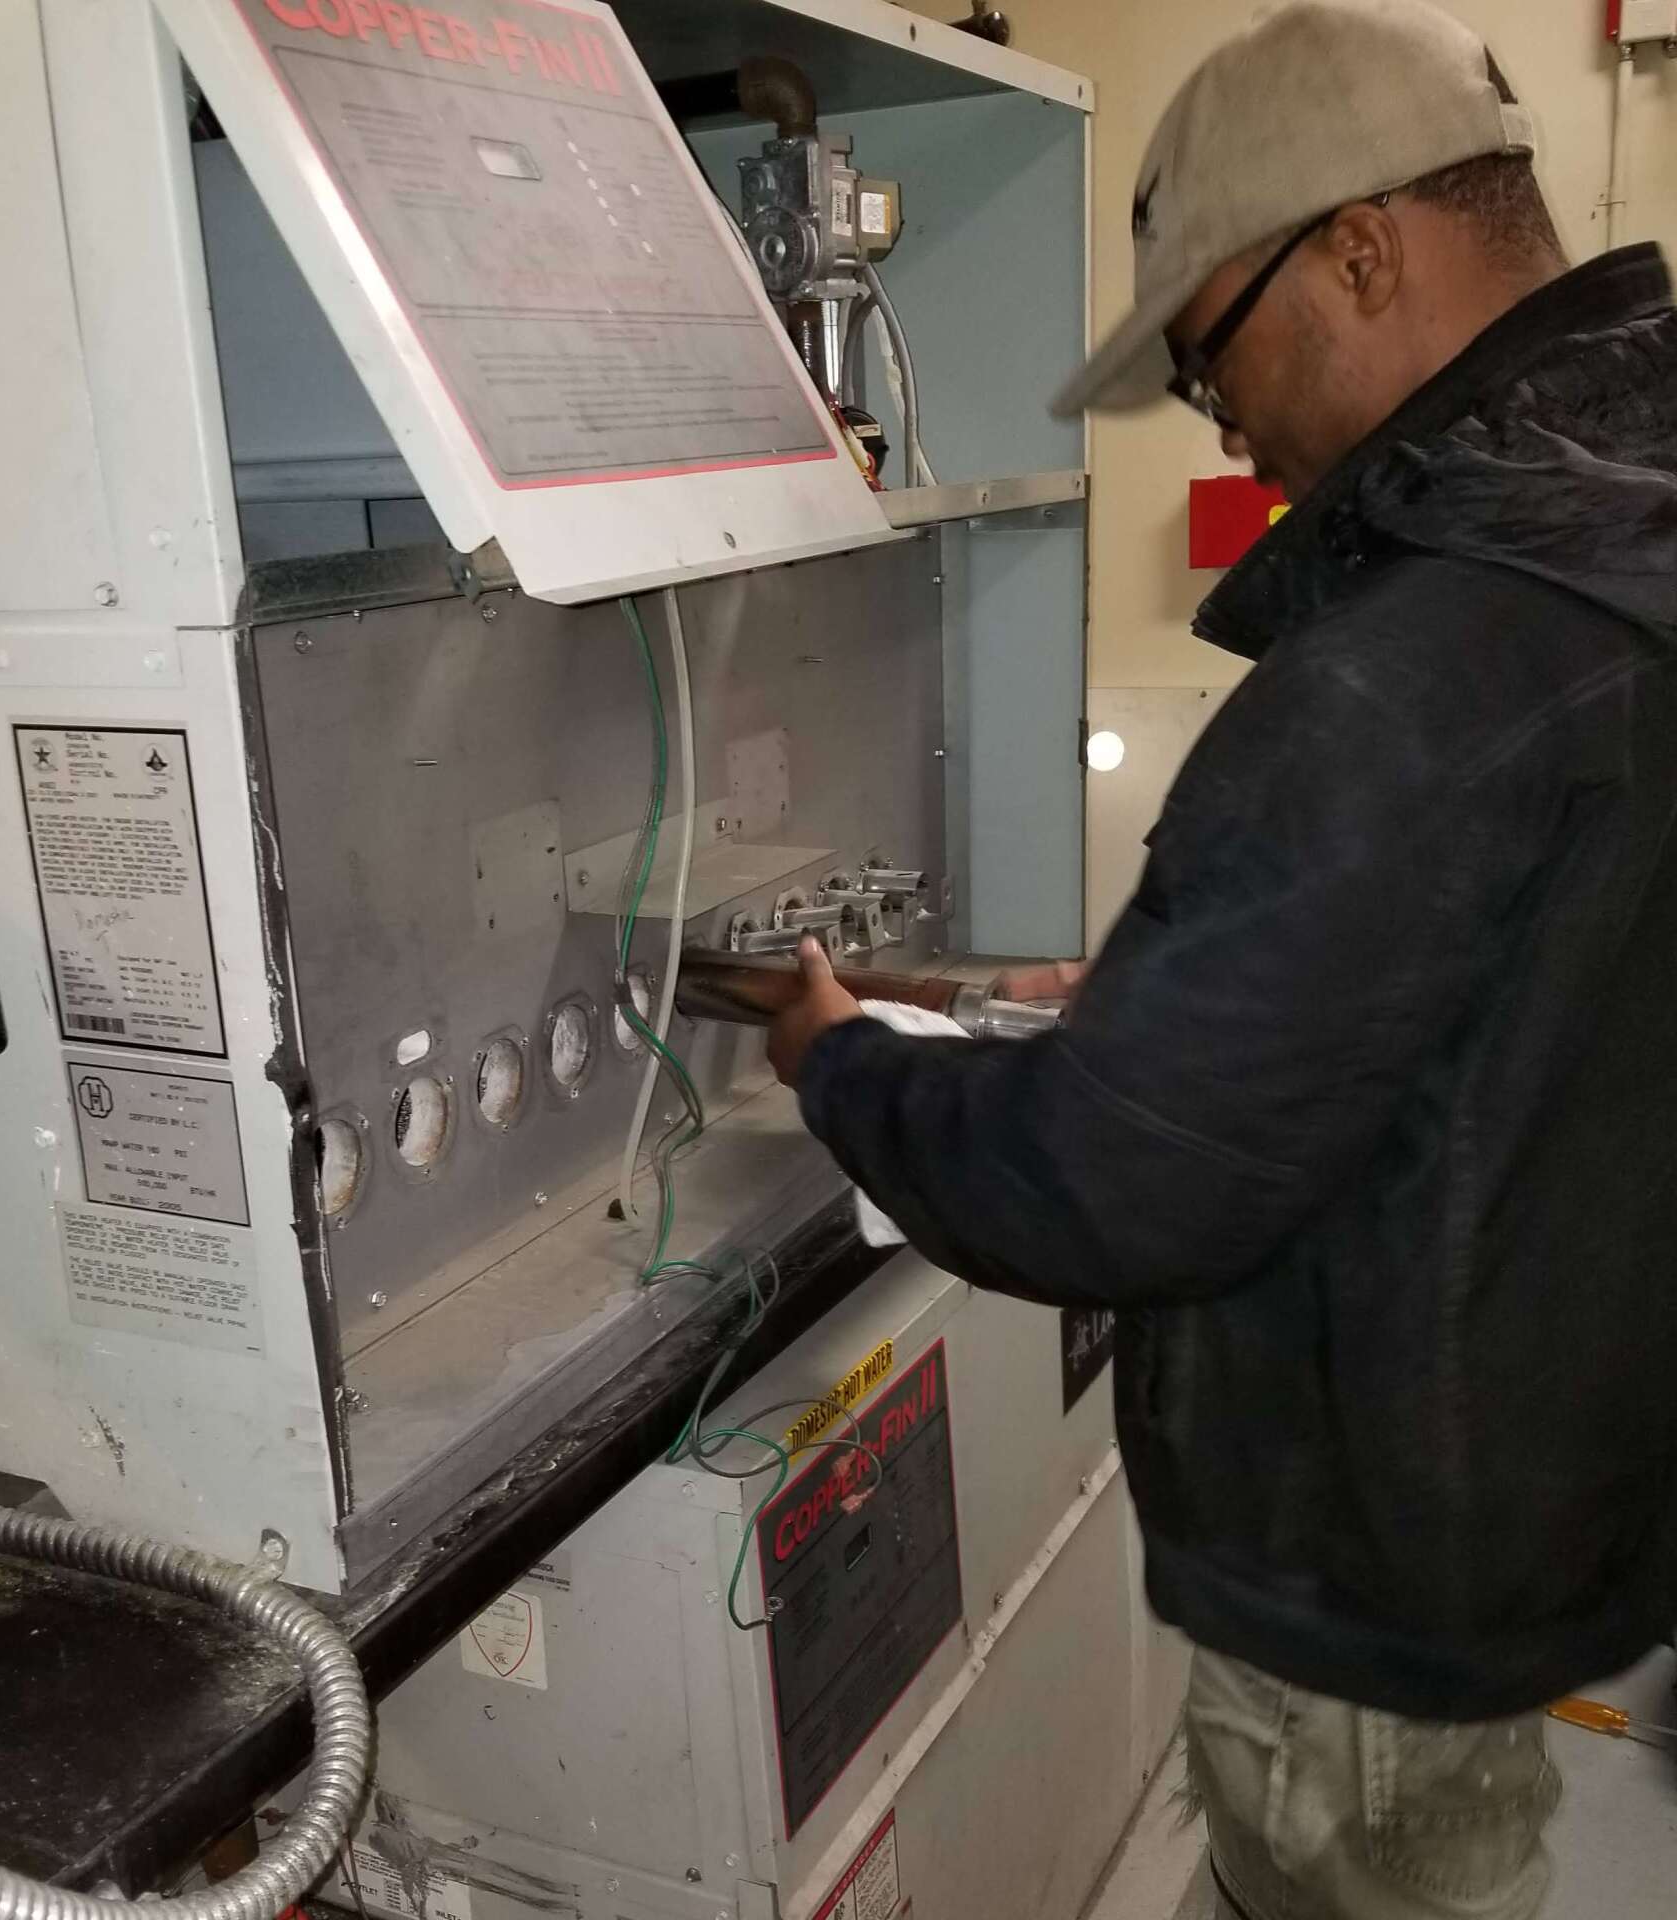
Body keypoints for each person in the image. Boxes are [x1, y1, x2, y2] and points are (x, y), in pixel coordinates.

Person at [765, 3, 1677, 1916]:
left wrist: (837, 1053)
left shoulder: (1420, 662)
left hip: (1374, 1572)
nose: (1223, 419)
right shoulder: (1621, 521)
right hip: (1552, 1458)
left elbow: (1107, 1186)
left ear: (1360, 247)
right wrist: (1204, 999)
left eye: (1208, 355)